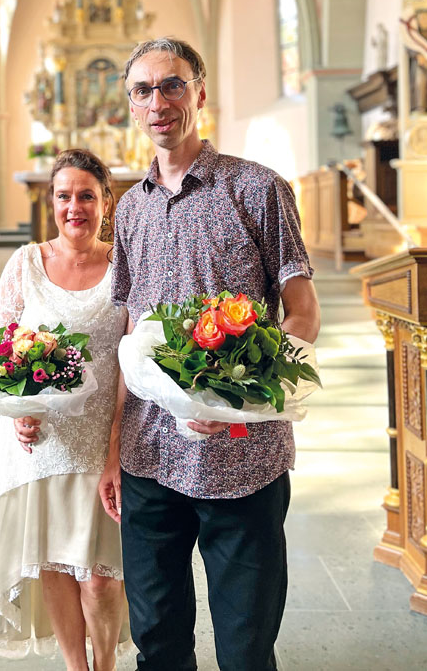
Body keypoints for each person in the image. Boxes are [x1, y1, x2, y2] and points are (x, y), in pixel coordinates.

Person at [98, 37, 321, 671]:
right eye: (142, 90)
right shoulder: (131, 210)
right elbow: (131, 334)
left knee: (246, 648)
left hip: (241, 455)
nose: (157, 101)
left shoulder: (258, 188)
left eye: (171, 85)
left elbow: (301, 311)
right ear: (130, 106)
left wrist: (242, 402)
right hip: (150, 453)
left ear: (199, 93)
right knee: (158, 640)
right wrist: (114, 445)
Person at [0, 148, 131, 670]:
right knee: (55, 564)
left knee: (98, 576)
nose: (75, 207)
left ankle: (106, 665)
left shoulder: (125, 267)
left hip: (102, 442)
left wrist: (117, 447)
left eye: (87, 196)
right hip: (39, 441)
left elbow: (132, 364)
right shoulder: (24, 263)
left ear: (106, 203)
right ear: (51, 202)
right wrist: (17, 408)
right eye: (64, 196)